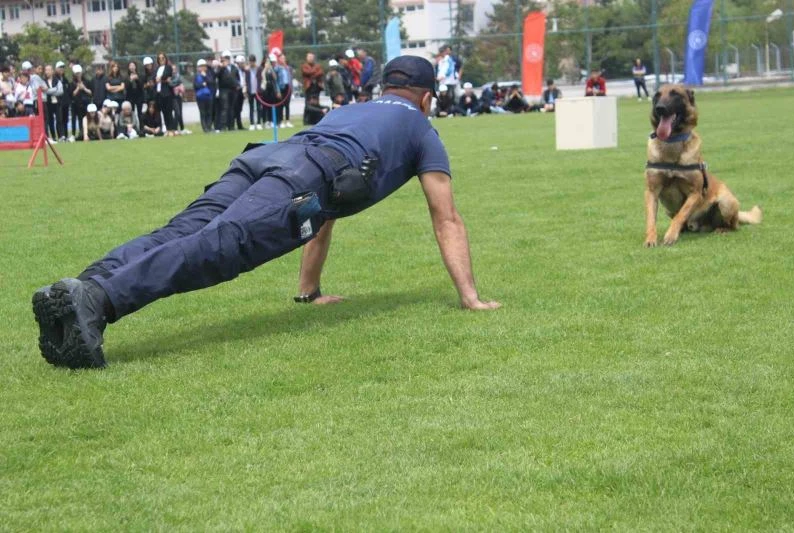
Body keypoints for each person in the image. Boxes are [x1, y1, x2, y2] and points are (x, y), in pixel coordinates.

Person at [31, 55, 500, 370]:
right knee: (219, 246)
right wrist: (470, 296)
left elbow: (328, 209)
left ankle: (81, 288)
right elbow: (447, 218)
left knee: (182, 230)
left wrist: (309, 292)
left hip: (267, 157)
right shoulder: (421, 129)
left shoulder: (352, 109)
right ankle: (99, 302)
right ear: (426, 96)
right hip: (306, 175)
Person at [154, 52, 176, 136]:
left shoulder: (168, 67)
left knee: (168, 112)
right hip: (159, 93)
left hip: (166, 93)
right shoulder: (156, 69)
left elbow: (168, 75)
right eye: (159, 58)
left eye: (163, 58)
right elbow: (153, 78)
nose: (161, 60)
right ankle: (167, 129)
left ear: (165, 59)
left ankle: (171, 129)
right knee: (163, 112)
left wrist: (161, 79)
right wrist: (161, 79)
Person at [216, 50, 237, 131]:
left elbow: (236, 78)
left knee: (232, 108)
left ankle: (231, 126)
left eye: (228, 58)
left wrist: (237, 85)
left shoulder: (234, 67)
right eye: (225, 58)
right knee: (225, 108)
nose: (227, 60)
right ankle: (223, 126)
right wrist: (222, 67)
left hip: (232, 90)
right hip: (223, 90)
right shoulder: (220, 68)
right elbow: (217, 75)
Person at [71, 65, 92, 141]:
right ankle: (75, 135)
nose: (78, 75)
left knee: (86, 119)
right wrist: (78, 88)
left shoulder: (87, 81)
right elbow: (72, 94)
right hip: (76, 104)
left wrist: (84, 88)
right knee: (76, 119)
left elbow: (91, 92)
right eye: (76, 73)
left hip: (85, 103)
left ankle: (86, 134)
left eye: (79, 73)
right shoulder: (72, 83)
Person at [43, 64, 64, 141]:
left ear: (52, 71)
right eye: (46, 70)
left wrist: (51, 91)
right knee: (50, 120)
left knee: (59, 119)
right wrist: (55, 89)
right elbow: (45, 91)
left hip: (57, 102)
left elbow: (61, 91)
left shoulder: (57, 80)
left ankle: (61, 136)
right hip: (48, 103)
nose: (47, 72)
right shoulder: (43, 81)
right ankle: (53, 137)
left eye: (49, 70)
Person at [194, 59, 214, 133]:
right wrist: (202, 84)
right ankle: (205, 128)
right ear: (198, 68)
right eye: (201, 66)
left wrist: (205, 77)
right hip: (200, 97)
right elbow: (196, 85)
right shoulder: (196, 76)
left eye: (204, 66)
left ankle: (209, 127)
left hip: (208, 96)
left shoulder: (208, 74)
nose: (203, 68)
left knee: (209, 112)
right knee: (203, 112)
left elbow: (211, 82)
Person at [276, 53, 293, 128]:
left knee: (287, 105)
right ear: (279, 59)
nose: (283, 60)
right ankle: (281, 121)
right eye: (282, 58)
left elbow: (290, 78)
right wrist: (277, 90)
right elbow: (276, 80)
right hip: (281, 87)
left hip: (288, 87)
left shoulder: (288, 68)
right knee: (281, 105)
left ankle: (288, 120)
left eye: (284, 58)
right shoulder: (277, 68)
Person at [125, 61, 144, 128]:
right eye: (130, 65)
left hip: (139, 96)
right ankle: (133, 128)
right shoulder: (126, 76)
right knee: (131, 113)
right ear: (128, 67)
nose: (132, 67)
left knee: (140, 113)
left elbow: (142, 86)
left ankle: (142, 128)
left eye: (133, 65)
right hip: (130, 97)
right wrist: (130, 80)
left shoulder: (140, 75)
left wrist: (137, 79)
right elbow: (126, 87)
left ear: (135, 67)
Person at [245, 55, 262, 130]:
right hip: (250, 90)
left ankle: (258, 123)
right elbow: (246, 80)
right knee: (251, 107)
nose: (251, 63)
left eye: (252, 61)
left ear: (255, 61)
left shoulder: (259, 69)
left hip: (258, 91)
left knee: (259, 107)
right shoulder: (247, 70)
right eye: (250, 61)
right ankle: (252, 123)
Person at [55, 61, 71, 142]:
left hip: (66, 102)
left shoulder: (65, 79)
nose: (62, 69)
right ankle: (61, 135)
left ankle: (66, 135)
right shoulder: (55, 79)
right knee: (59, 119)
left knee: (65, 119)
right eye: (60, 67)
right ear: (56, 69)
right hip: (58, 102)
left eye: (63, 67)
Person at [170, 64, 187, 134]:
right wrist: (177, 87)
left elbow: (181, 85)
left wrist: (181, 89)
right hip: (172, 97)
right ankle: (174, 128)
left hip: (178, 97)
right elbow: (171, 85)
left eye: (174, 69)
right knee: (177, 112)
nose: (174, 70)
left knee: (180, 113)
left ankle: (182, 128)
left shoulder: (178, 77)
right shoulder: (169, 77)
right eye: (172, 69)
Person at [233, 55, 247, 130]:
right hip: (236, 91)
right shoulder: (234, 70)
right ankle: (236, 125)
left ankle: (239, 125)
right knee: (236, 109)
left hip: (242, 90)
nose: (242, 64)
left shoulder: (243, 70)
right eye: (241, 63)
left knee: (240, 109)